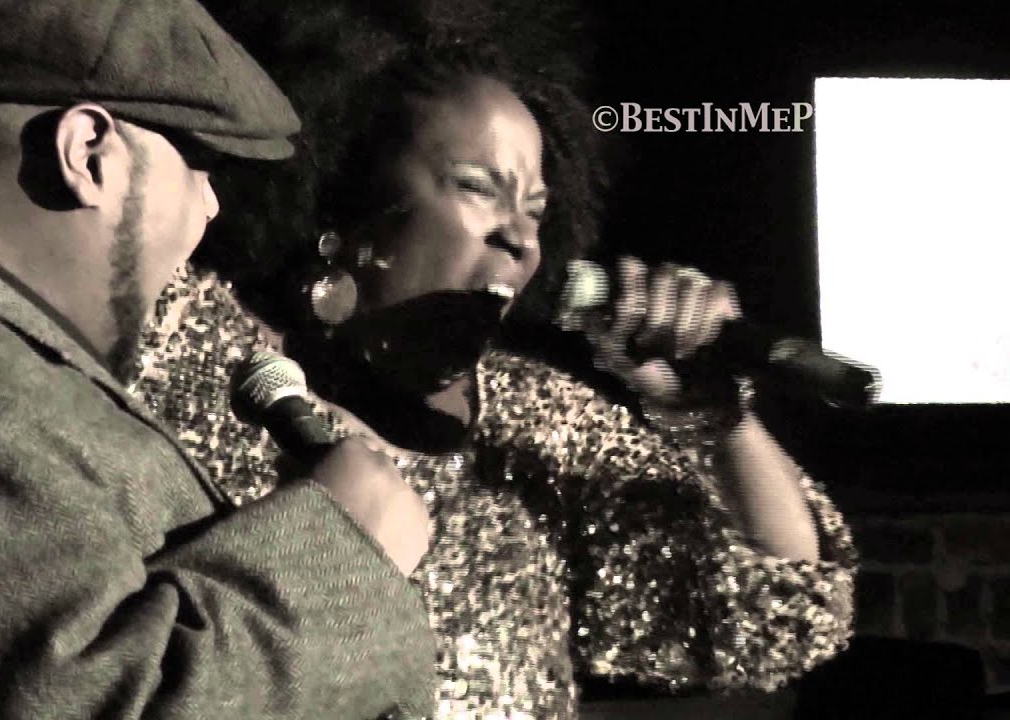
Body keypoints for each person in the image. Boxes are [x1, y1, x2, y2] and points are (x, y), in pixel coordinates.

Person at [132, 5, 858, 719]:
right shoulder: (184, 345)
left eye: (536, 210)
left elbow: (779, 615)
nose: (521, 238)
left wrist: (714, 416)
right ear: (345, 201)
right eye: (479, 188)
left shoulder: (537, 423)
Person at [0, 1, 438, 718]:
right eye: (200, 166)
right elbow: (95, 700)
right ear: (87, 152)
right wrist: (343, 552)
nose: (211, 207)